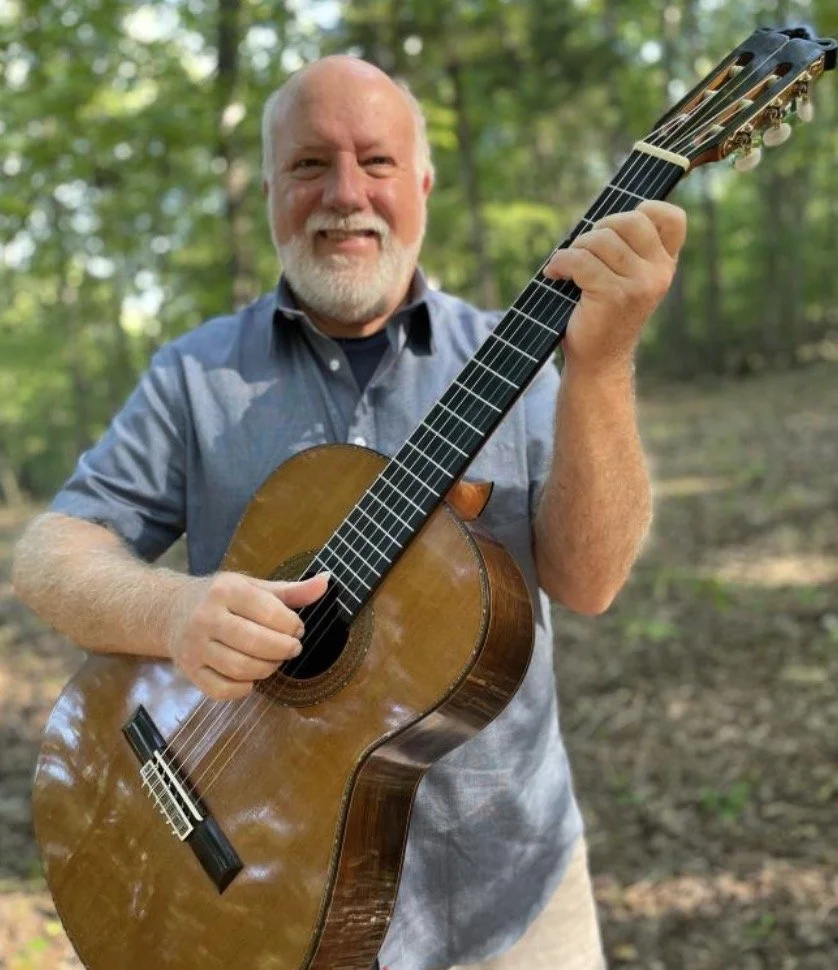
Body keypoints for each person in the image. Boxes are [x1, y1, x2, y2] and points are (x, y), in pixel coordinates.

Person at [12, 55, 686, 970]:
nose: (345, 194)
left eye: (376, 162)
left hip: (509, 895)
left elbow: (591, 581)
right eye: (308, 165)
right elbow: (51, 554)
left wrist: (601, 369)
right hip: (255, 894)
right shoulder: (194, 376)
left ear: (422, 183)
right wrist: (173, 612)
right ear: (267, 189)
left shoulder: (517, 353)